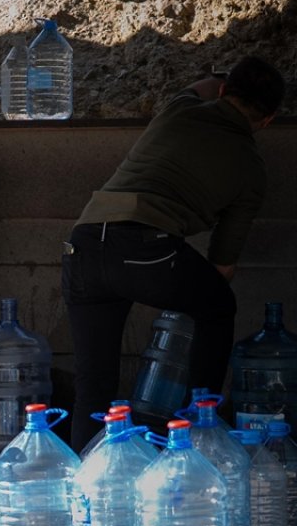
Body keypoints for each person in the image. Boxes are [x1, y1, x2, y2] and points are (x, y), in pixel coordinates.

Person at [63, 56, 286, 451]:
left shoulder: (180, 108)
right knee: (217, 305)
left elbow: (198, 87)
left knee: (93, 386)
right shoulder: (252, 169)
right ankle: (199, 421)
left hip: (81, 246)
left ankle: (85, 478)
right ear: (267, 121)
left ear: (222, 91)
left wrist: (217, 76)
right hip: (144, 248)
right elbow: (222, 267)